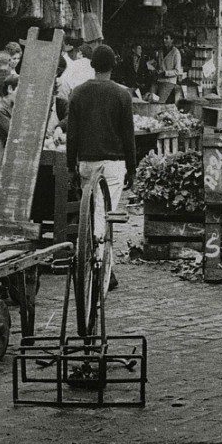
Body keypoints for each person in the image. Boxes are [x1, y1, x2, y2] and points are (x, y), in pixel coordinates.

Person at [66, 45, 136, 282]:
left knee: (94, 210)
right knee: (104, 214)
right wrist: (133, 170)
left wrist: (70, 165)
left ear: (92, 66)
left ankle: (104, 265)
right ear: (113, 66)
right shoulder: (122, 94)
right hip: (114, 165)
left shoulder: (77, 92)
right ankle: (99, 266)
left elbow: (72, 135)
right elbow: (128, 137)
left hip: (86, 162)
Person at [155, 33, 184, 103]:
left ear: (172, 40)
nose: (164, 40)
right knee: (150, 99)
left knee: (160, 102)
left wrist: (165, 73)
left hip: (169, 82)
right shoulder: (160, 51)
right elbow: (159, 66)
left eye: (166, 38)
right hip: (159, 81)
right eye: (163, 38)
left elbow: (177, 71)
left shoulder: (176, 53)